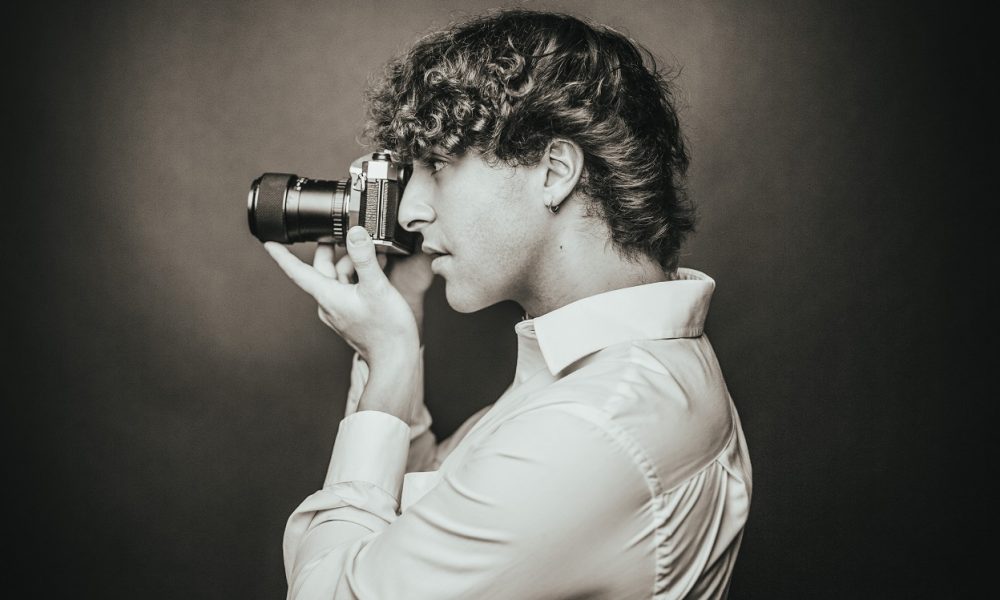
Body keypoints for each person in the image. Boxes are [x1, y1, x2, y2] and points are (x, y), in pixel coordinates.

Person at [264, 9, 751, 599]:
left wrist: (390, 364)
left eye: (437, 165)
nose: (410, 212)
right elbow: (438, 516)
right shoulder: (603, 374)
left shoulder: (591, 427)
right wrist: (402, 317)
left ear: (554, 172)